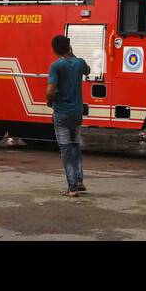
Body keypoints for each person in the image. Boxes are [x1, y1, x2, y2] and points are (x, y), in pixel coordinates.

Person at [45, 34, 90, 197]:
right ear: (69, 47)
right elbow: (88, 70)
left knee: (65, 149)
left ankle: (72, 188)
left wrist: (49, 100)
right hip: (77, 113)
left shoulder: (56, 66)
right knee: (75, 146)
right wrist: (73, 54)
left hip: (62, 114)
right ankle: (79, 181)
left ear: (54, 50)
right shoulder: (79, 63)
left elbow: (50, 91)